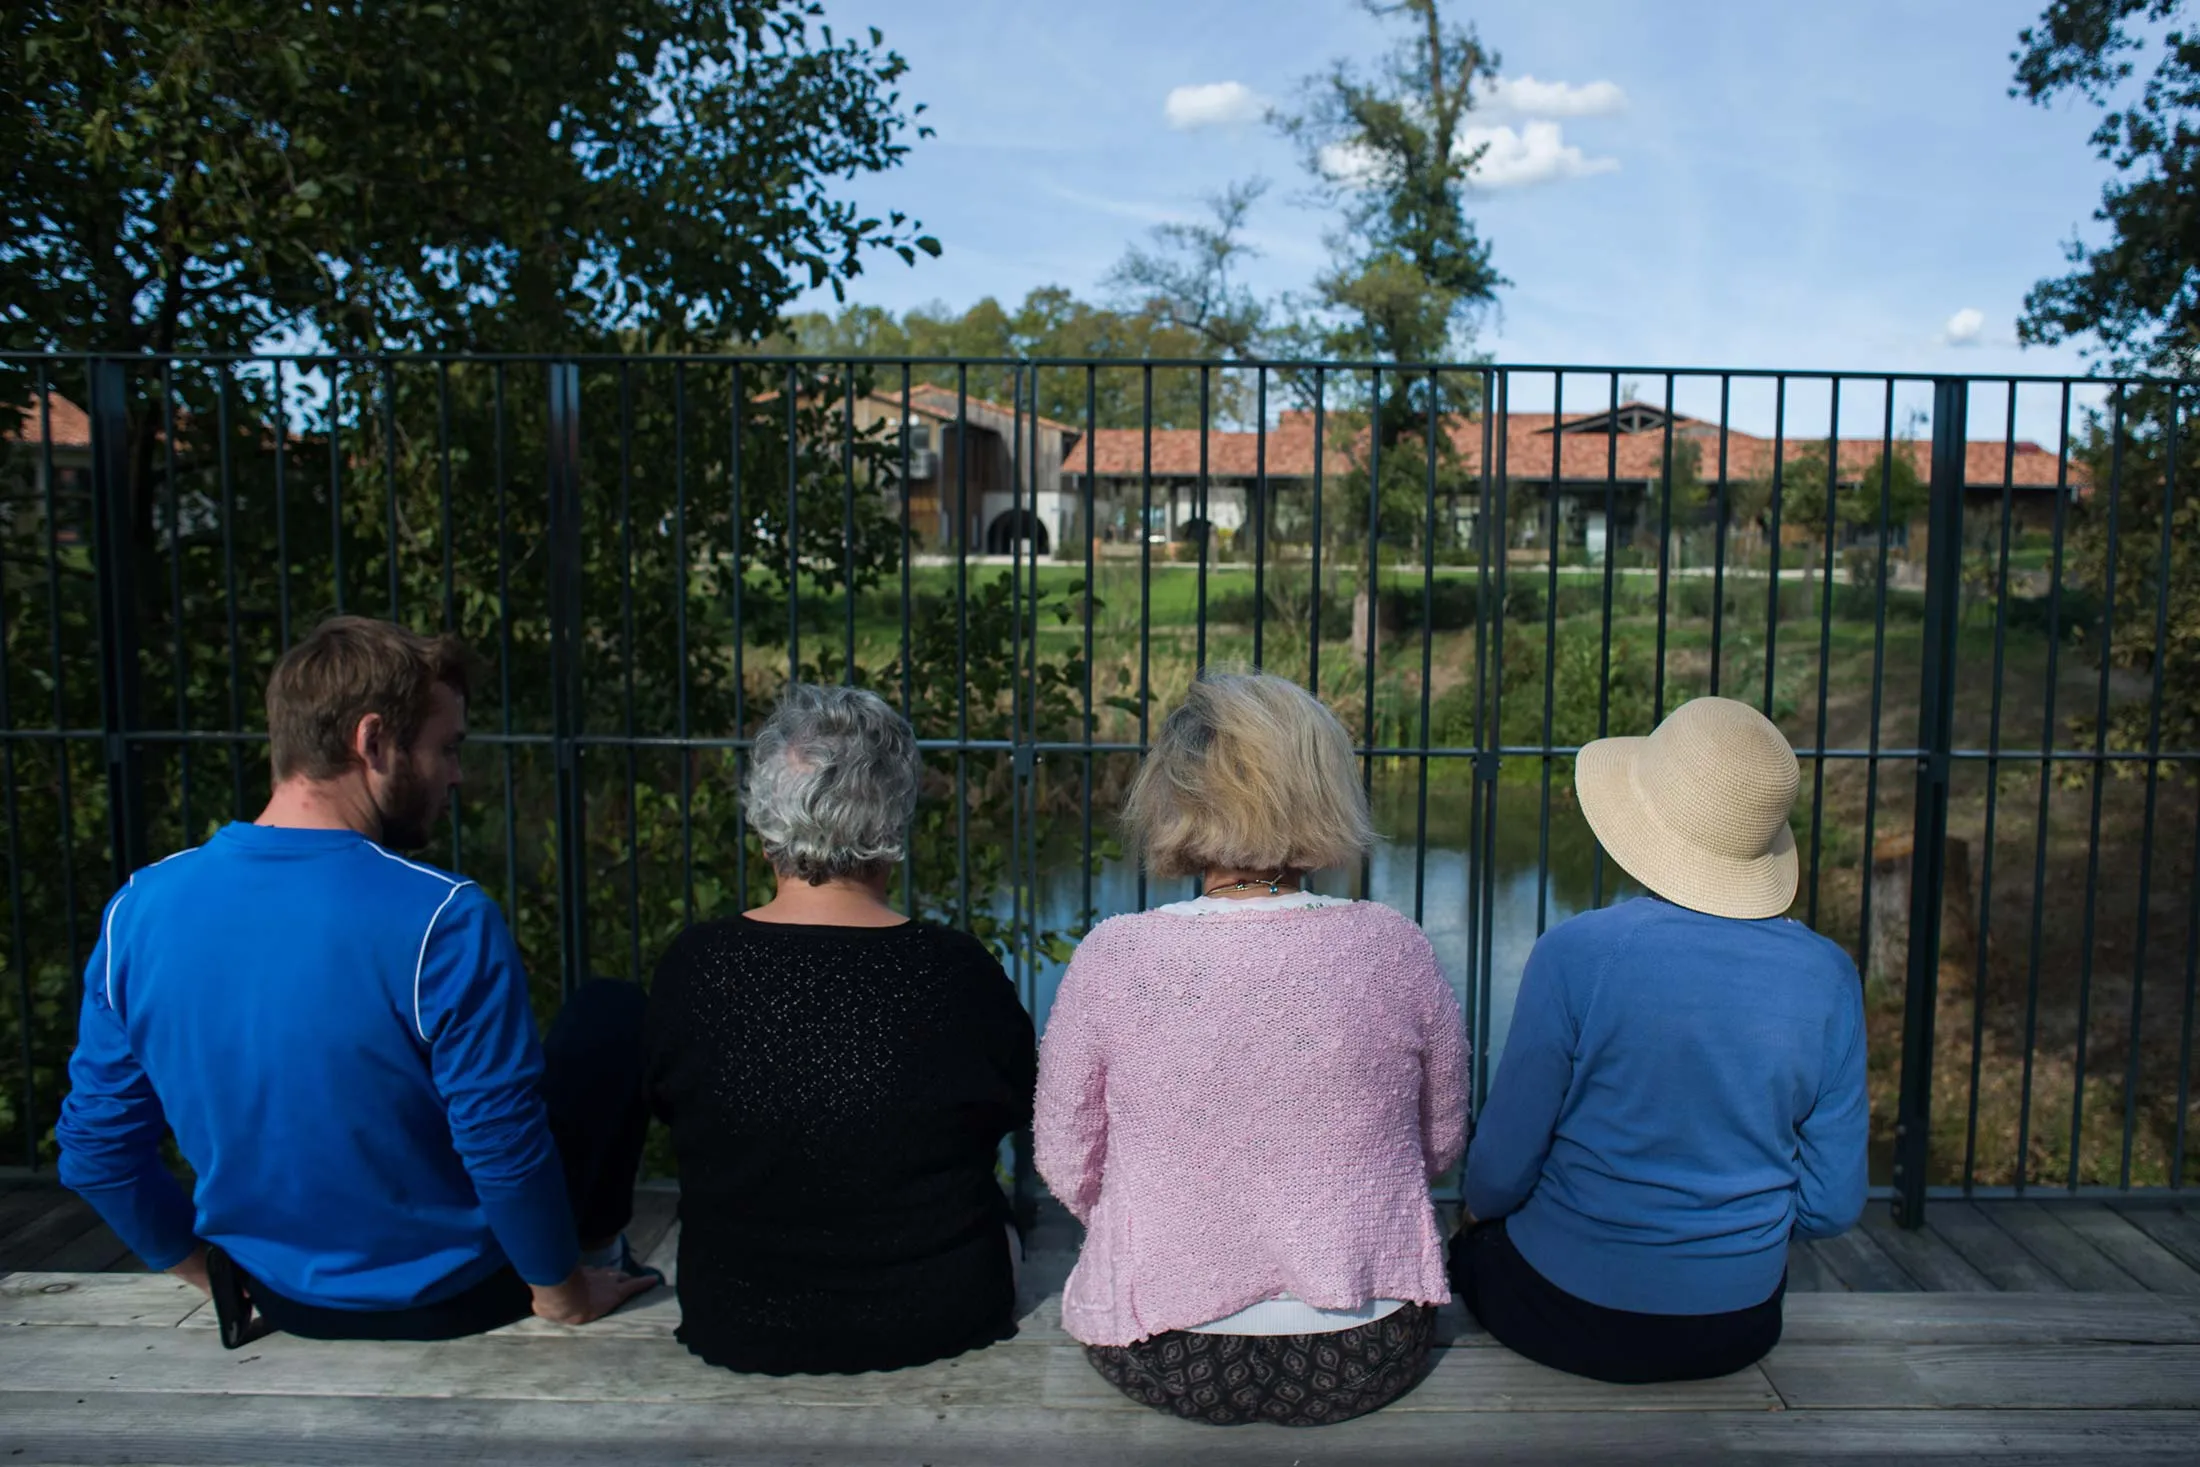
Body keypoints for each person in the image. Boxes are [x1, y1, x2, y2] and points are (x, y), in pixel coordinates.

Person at [57, 616, 659, 1342]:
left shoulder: (139, 909)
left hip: (282, 1298)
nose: (458, 776)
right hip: (461, 1293)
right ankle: (594, 1253)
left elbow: (96, 1152)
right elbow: (501, 1142)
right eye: (448, 747)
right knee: (611, 1012)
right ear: (372, 742)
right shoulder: (443, 916)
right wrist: (561, 1293)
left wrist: (202, 1268)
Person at [1035, 670, 1467, 1429]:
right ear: (1322, 787)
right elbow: (1438, 1144)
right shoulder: (1395, 948)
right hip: (1363, 1347)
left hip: (1164, 1345)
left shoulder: (1114, 956)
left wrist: (1183, 1220)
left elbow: (1067, 1162)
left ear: (1171, 793)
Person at [1453, 695, 1868, 1384]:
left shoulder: (1576, 954)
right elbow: (1832, 1203)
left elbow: (1500, 1170)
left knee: (1473, 1254)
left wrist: (1477, 1215)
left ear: (1644, 822)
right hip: (1738, 1324)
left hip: (1563, 1306)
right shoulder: (1828, 975)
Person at [645, 682, 1036, 1375]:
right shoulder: (957, 971)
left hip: (737, 1314)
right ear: (895, 820)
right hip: (942, 1309)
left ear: (766, 822)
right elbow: (1023, 1109)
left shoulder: (694, 966)